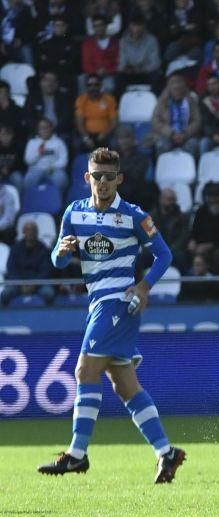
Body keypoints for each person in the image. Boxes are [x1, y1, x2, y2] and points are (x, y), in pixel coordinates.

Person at [39, 147, 185, 482]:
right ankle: (167, 452)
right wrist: (60, 252)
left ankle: (76, 454)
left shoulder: (134, 216)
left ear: (119, 179)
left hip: (119, 302)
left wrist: (144, 287)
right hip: (97, 303)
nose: (102, 183)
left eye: (109, 177)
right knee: (124, 385)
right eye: (96, 176)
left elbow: (164, 255)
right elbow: (58, 261)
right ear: (87, 178)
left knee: (84, 370)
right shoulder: (74, 213)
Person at [1, 220, 55, 306]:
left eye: (33, 230)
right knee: (5, 294)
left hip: (38, 283)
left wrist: (33, 285)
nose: (30, 232)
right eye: (27, 230)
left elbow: (45, 271)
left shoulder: (44, 249)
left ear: (37, 232)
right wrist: (20, 285)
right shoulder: (15, 248)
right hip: (18, 283)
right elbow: (11, 269)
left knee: (49, 293)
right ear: (23, 232)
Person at [75, 75, 118, 152]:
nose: (93, 87)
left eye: (96, 85)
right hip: (88, 135)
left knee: (114, 144)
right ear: (86, 87)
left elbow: (114, 122)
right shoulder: (81, 100)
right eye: (90, 85)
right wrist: (86, 138)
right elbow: (79, 123)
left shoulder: (109, 99)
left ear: (101, 86)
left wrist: (104, 134)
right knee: (77, 145)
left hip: (106, 134)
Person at [23, 117, 68, 191]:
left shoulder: (59, 142)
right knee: (29, 179)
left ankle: (58, 201)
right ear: (38, 130)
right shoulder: (32, 142)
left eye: (46, 127)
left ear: (51, 128)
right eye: (41, 128)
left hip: (54, 170)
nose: (44, 130)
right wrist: (39, 153)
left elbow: (63, 161)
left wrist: (53, 167)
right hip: (36, 169)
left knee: (61, 179)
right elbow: (28, 161)